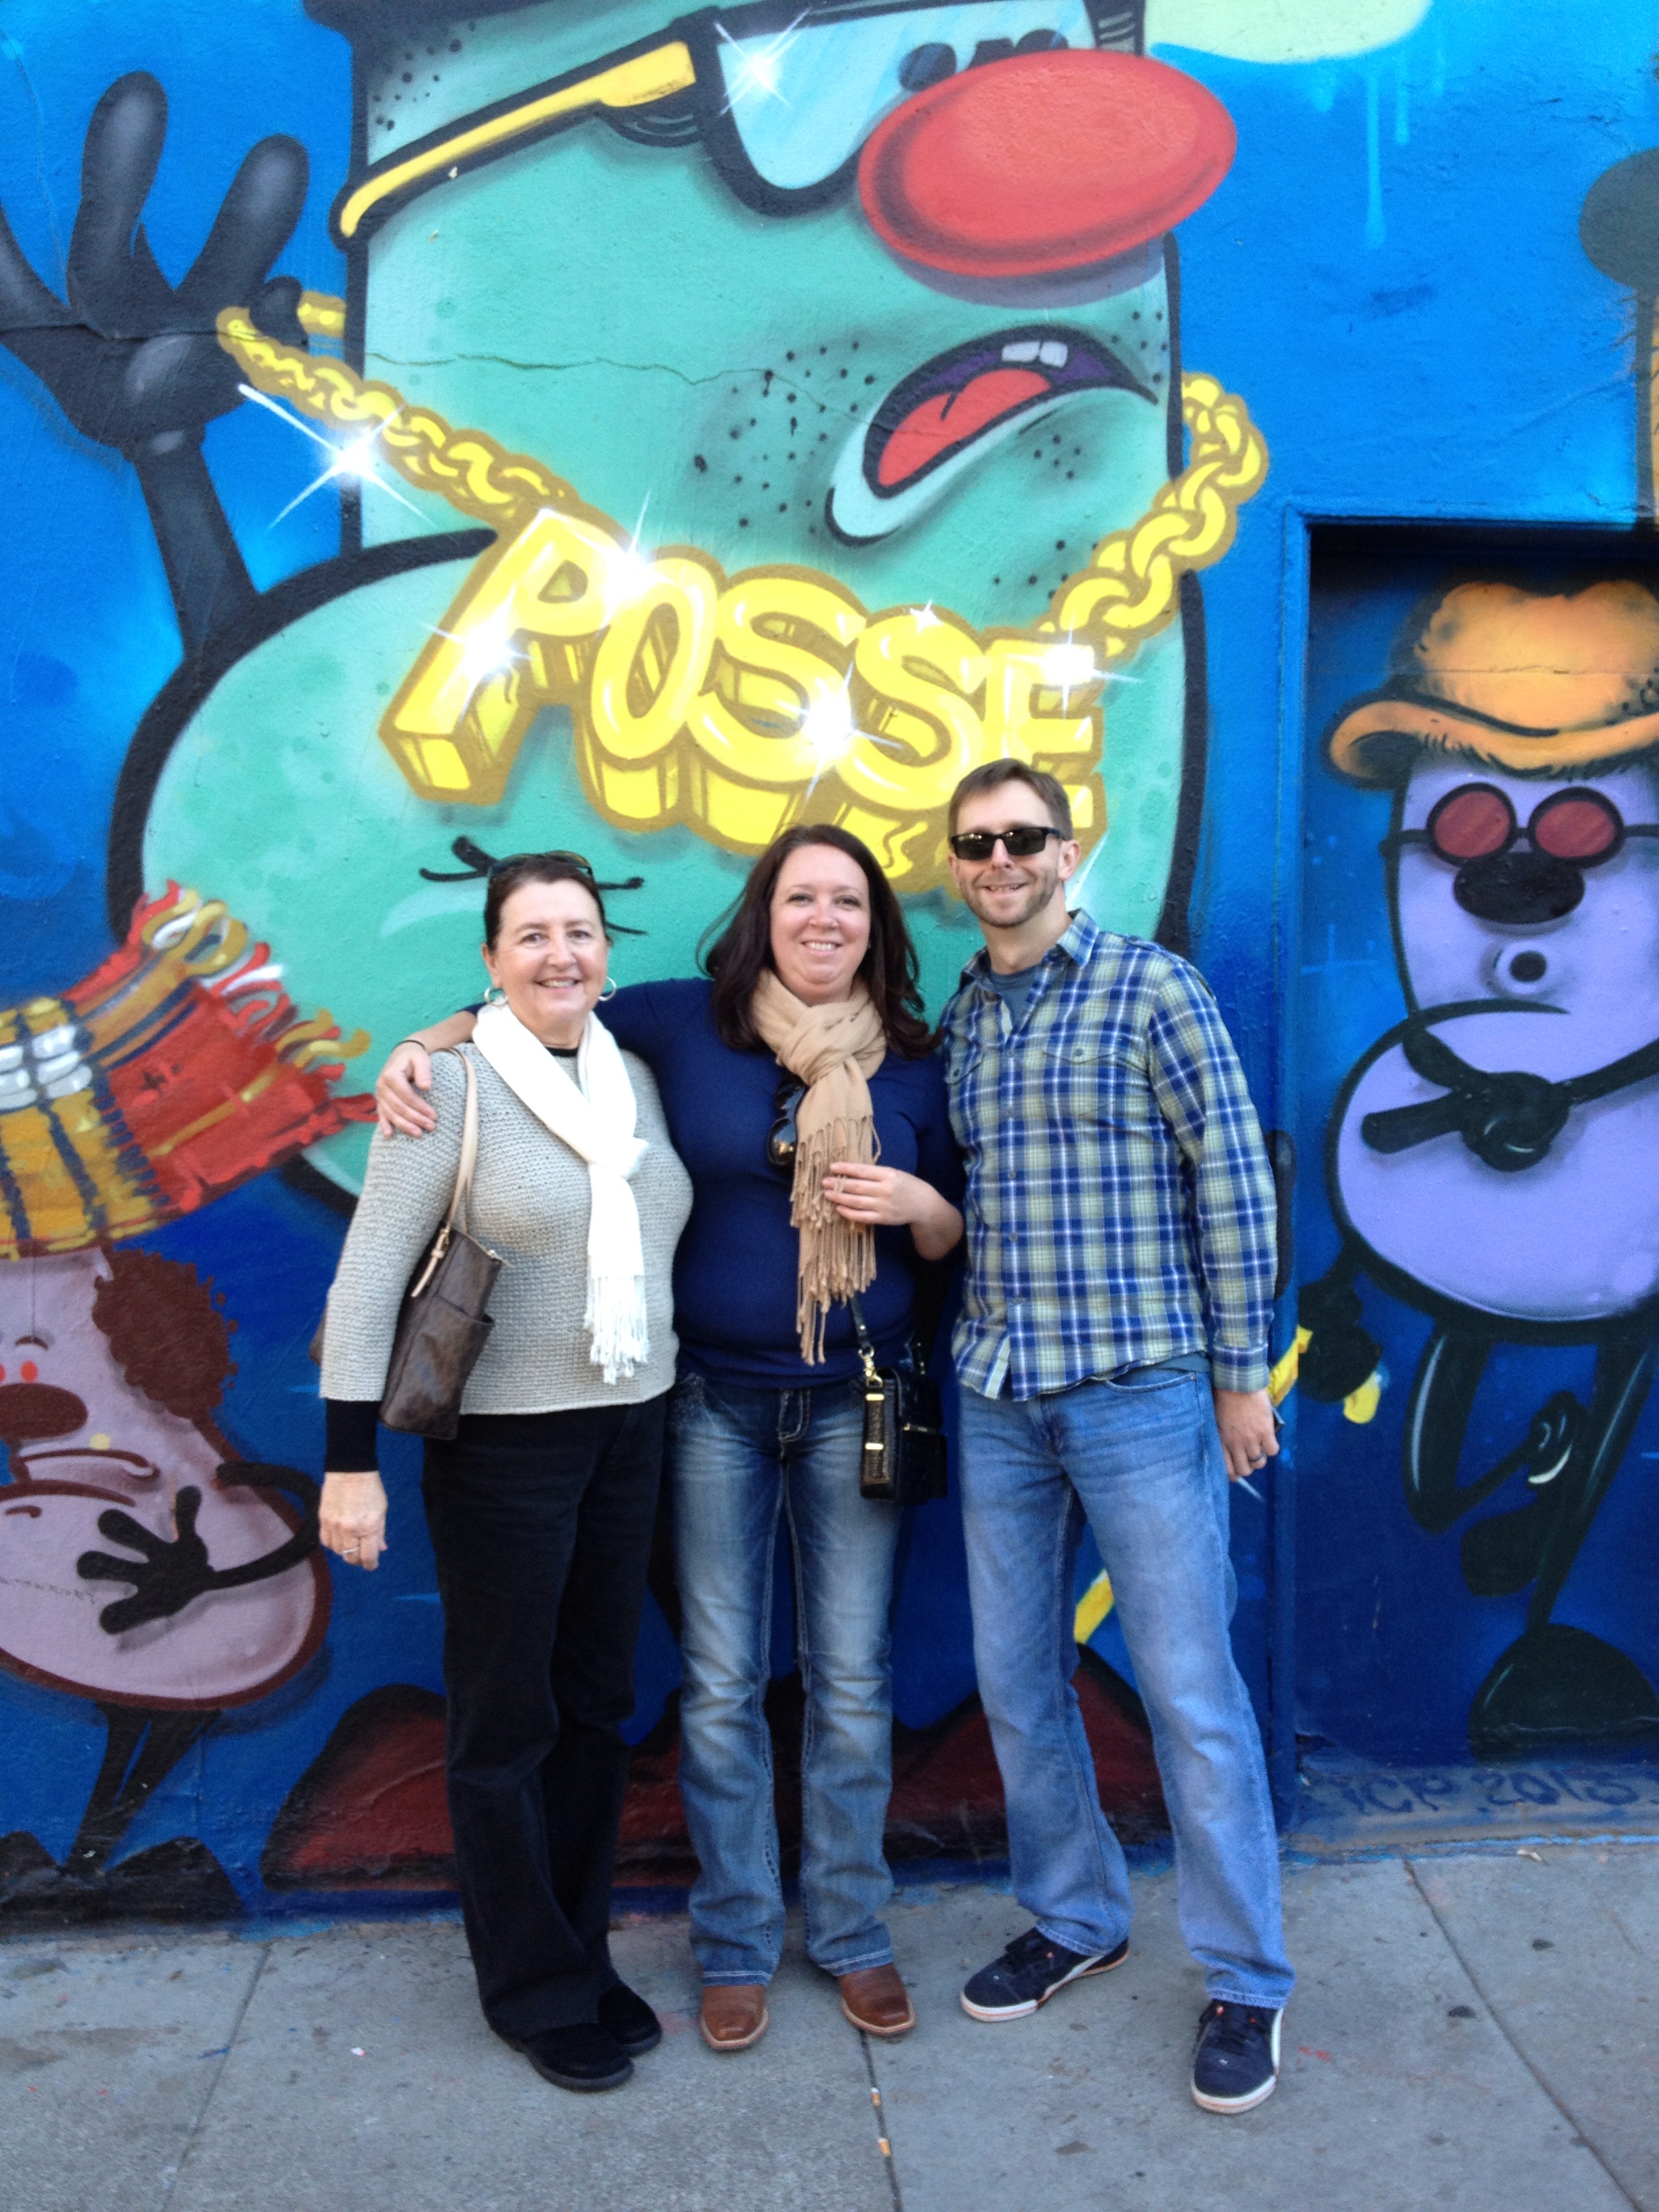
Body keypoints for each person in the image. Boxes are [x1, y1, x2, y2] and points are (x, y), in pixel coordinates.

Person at [377, 825, 964, 2055]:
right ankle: (737, 1941)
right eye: (799, 898)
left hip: (857, 1399)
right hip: (709, 1408)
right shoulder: (685, 1020)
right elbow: (534, 1006)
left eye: (847, 902)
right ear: (764, 914)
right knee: (721, 1683)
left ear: (875, 925)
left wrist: (920, 1206)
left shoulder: (916, 1060)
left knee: (853, 1680)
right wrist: (419, 1046)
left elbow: (958, 1230)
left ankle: (852, 1932)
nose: (822, 919)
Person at [939, 760, 1294, 2116]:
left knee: (1191, 1690)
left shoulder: (1152, 989)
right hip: (1000, 1394)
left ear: (1066, 850)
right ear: (956, 864)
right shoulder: (964, 1017)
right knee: (1016, 1679)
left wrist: (1241, 1376)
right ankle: (1077, 1916)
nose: (1002, 860)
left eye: (1024, 837)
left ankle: (1248, 1977)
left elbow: (1234, 1179)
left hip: (1142, 1389)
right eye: (978, 842)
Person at [318, 853, 692, 2097]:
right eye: (530, 935)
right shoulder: (453, 1086)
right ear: (490, 960)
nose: (558, 955)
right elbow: (369, 1278)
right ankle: (531, 1988)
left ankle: (579, 1954)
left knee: (594, 1707)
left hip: (631, 1430)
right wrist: (350, 1466)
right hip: (503, 1452)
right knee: (505, 1723)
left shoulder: (633, 1080)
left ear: (607, 952)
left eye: (578, 931)